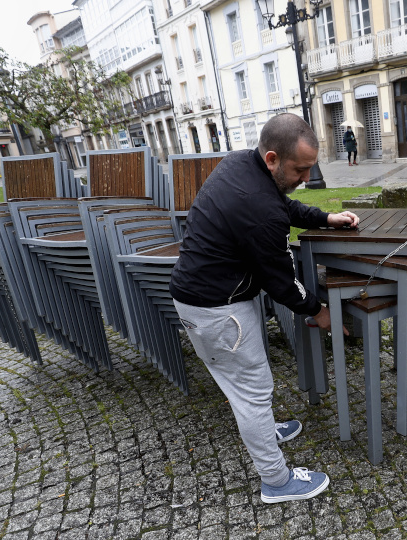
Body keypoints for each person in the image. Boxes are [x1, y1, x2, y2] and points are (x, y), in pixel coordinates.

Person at [170, 113, 359, 504]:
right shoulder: (259, 208)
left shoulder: (243, 164)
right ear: (272, 159)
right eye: (300, 170)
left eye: (310, 168)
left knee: (244, 387)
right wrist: (320, 312)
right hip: (218, 311)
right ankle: (276, 481)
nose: (306, 177)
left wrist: (325, 218)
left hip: (200, 298)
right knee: (251, 394)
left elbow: (282, 205)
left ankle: (266, 431)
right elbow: (281, 282)